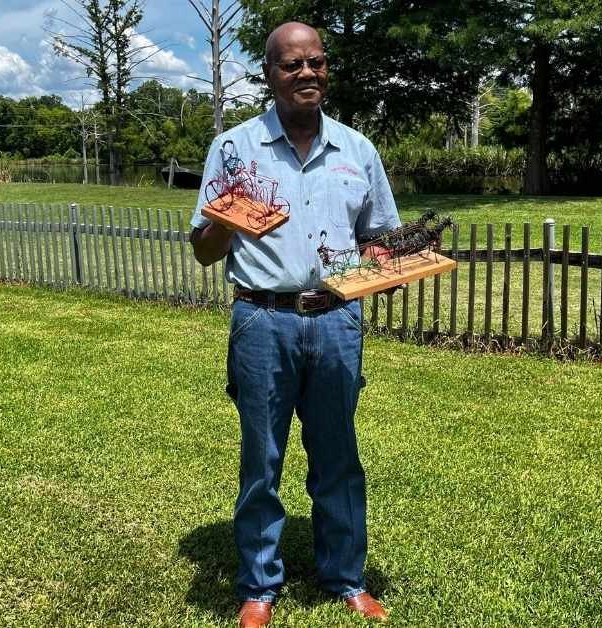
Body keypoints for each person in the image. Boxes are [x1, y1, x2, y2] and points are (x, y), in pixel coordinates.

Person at [190, 21, 400, 628]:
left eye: (316, 63)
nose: (306, 74)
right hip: (262, 320)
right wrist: (229, 217)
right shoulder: (235, 150)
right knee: (263, 457)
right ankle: (259, 586)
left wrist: (389, 261)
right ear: (270, 74)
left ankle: (346, 578)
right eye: (292, 65)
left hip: (337, 320)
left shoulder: (358, 150)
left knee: (338, 453)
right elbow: (206, 252)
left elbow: (379, 239)